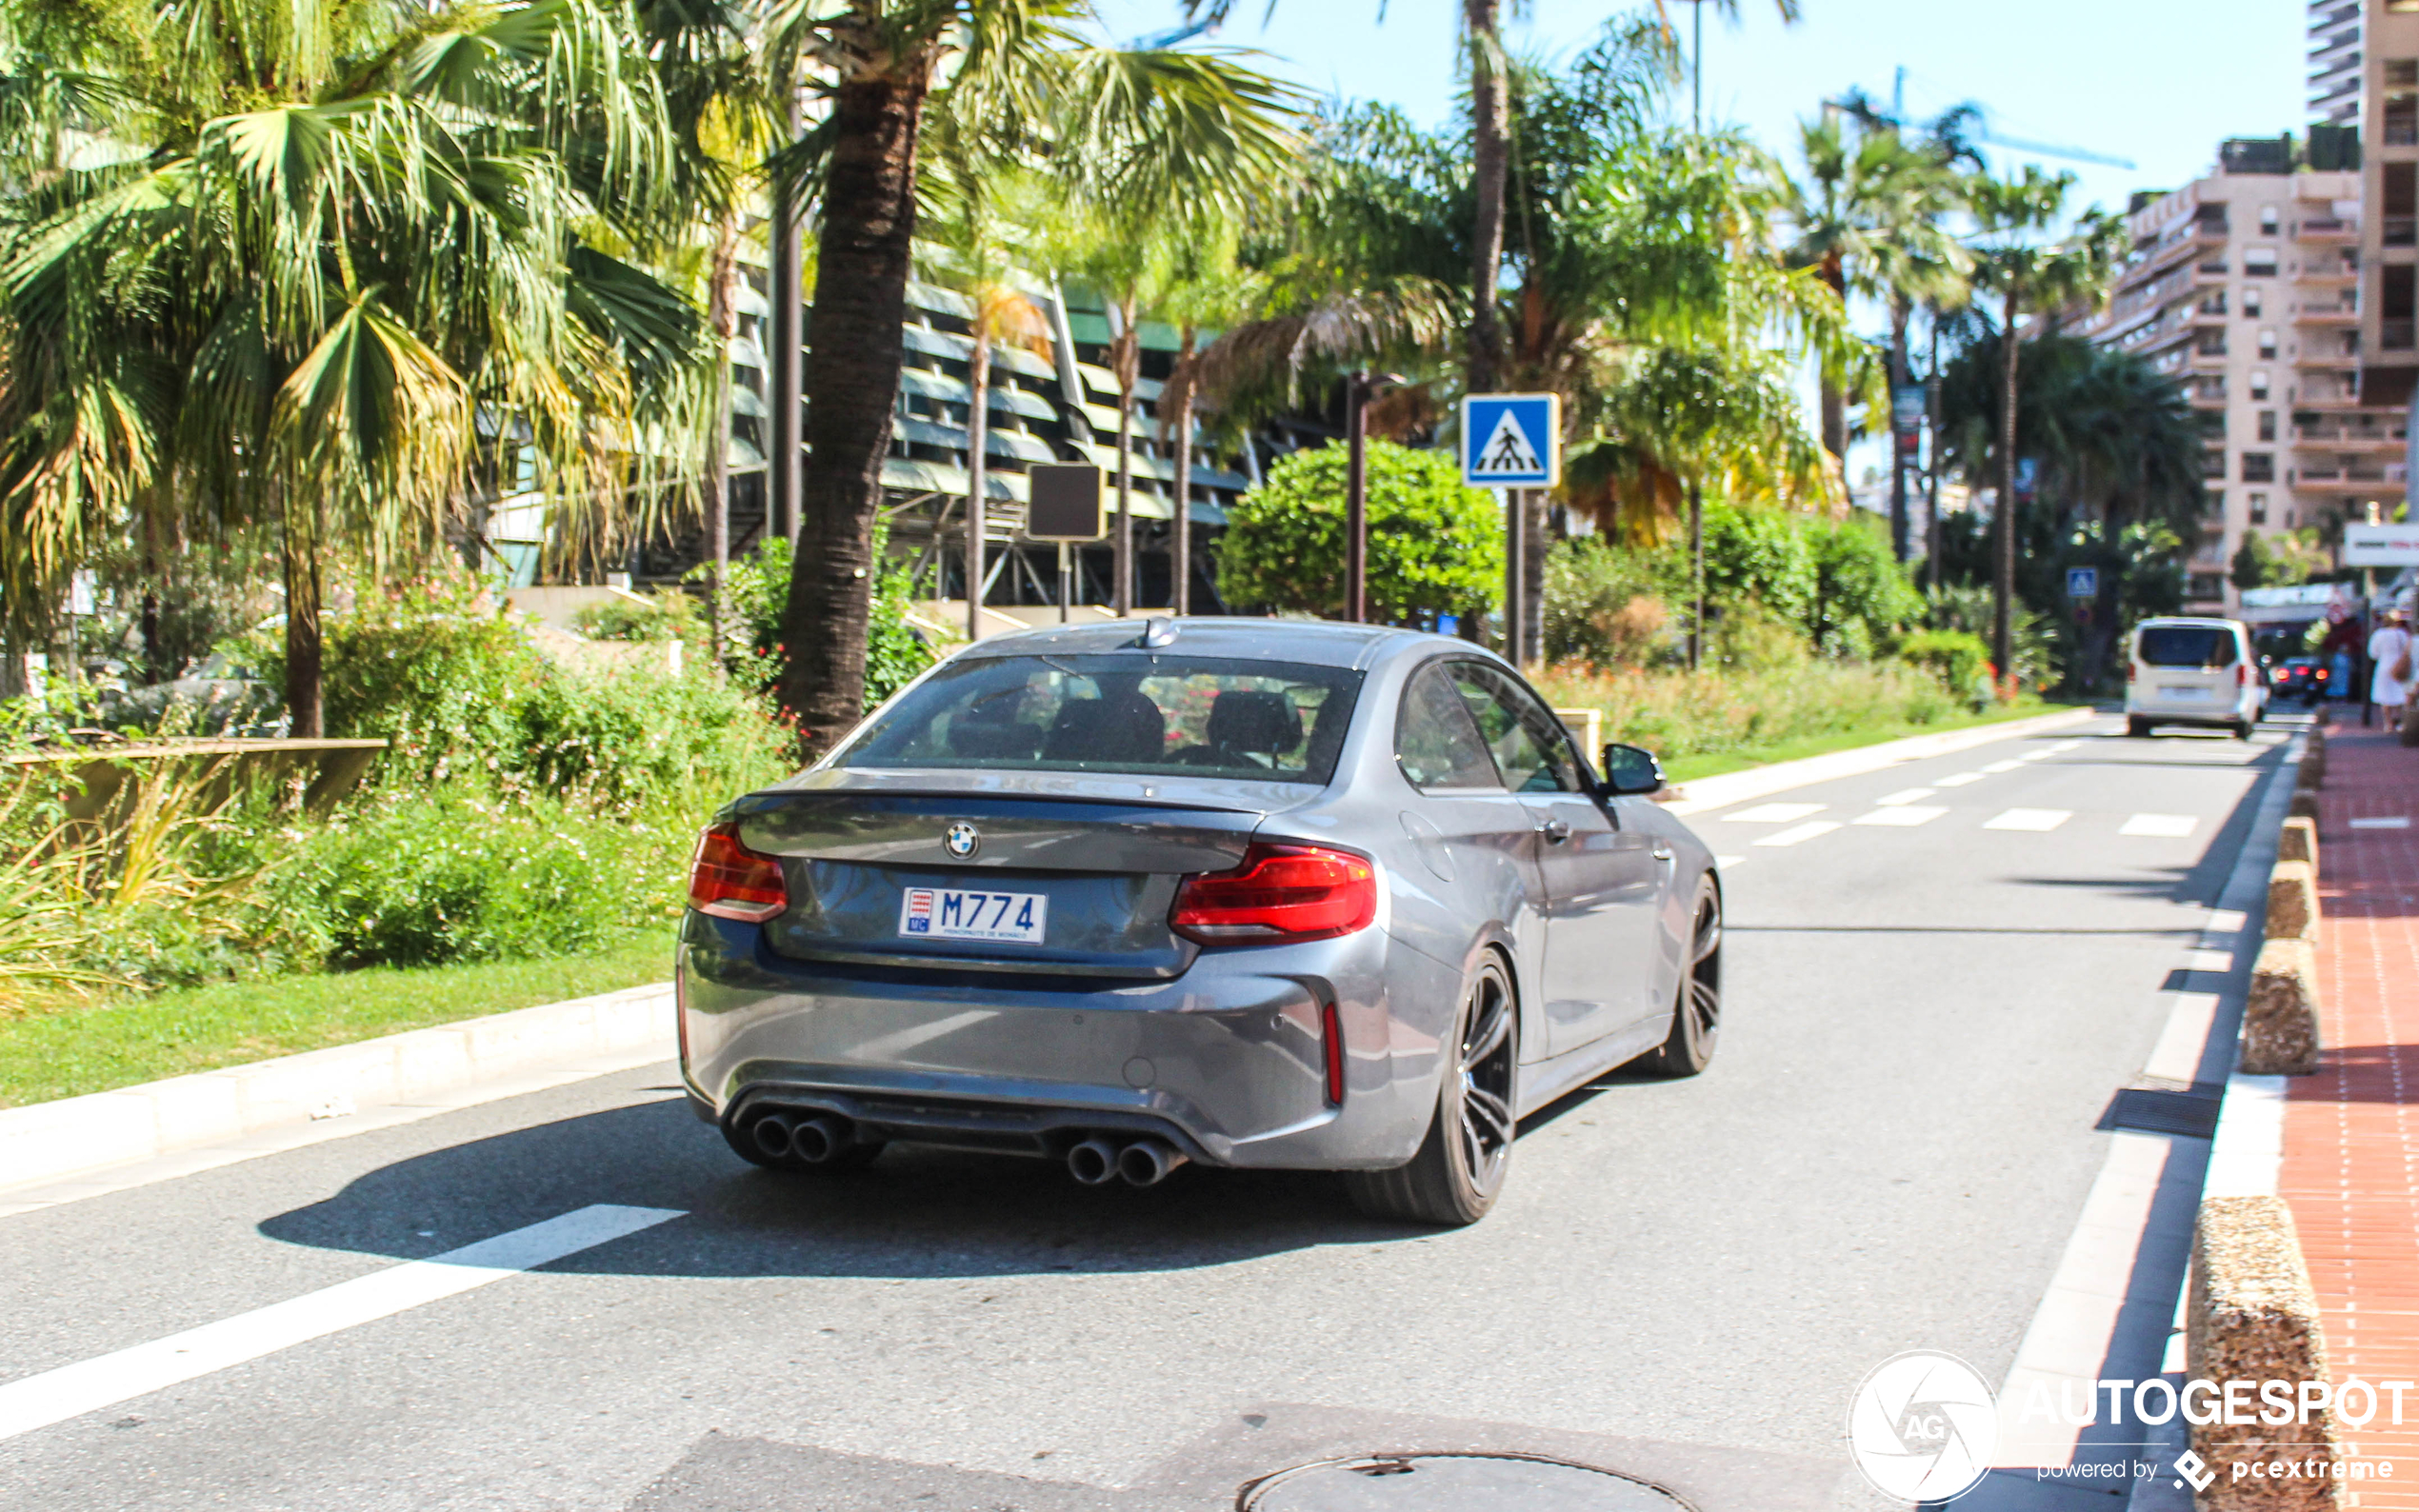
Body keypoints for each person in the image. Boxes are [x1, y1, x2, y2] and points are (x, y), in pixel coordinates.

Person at [2369, 608, 2413, 732]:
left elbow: (2373, 653)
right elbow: (2408, 649)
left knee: (2384, 695)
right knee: (2400, 693)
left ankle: (2388, 723)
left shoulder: (2378, 635)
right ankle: (2399, 720)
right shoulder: (2401, 634)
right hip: (2399, 666)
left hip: (2383, 665)